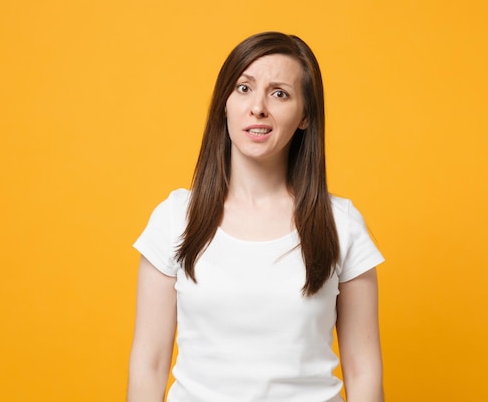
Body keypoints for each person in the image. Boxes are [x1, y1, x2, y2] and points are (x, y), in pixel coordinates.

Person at [127, 31, 385, 402]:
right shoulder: (174, 219)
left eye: (279, 93)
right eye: (244, 88)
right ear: (225, 104)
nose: (258, 107)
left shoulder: (340, 223)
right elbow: (149, 365)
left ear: (305, 116)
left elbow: (364, 373)